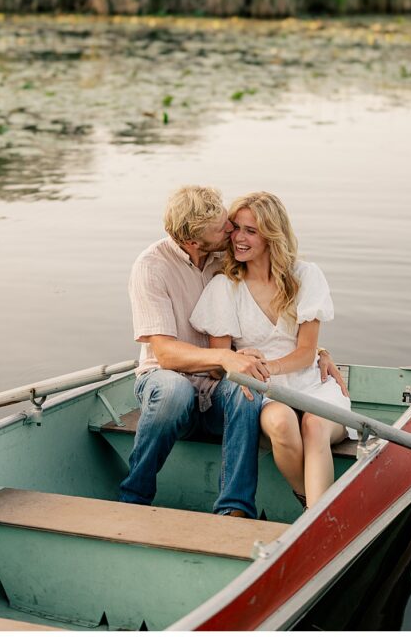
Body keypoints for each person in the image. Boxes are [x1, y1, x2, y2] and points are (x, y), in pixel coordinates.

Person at [119, 184, 345, 519]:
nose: (230, 232)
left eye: (233, 225)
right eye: (224, 227)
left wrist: (317, 351)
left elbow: (278, 306)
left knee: (245, 393)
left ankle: (235, 509)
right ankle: (134, 498)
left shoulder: (224, 255)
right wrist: (226, 358)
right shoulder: (152, 267)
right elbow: (165, 354)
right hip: (168, 375)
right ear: (194, 240)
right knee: (174, 391)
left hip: (219, 381)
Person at [190, 191, 352, 510]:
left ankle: (317, 523)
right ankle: (310, 504)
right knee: (281, 423)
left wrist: (270, 367)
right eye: (235, 227)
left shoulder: (305, 276)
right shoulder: (224, 287)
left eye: (250, 231)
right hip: (261, 393)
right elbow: (220, 362)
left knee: (314, 425)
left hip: (311, 383)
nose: (238, 237)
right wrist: (250, 371)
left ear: (271, 236)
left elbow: (306, 353)